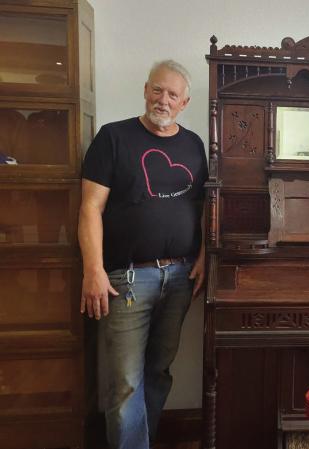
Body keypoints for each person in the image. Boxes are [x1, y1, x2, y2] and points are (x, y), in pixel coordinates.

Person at [78, 60, 208, 449]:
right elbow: (89, 209)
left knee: (158, 372)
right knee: (125, 382)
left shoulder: (193, 144)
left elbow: (204, 207)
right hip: (127, 280)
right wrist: (93, 270)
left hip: (181, 276)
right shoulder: (113, 138)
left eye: (172, 94)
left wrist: (204, 256)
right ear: (145, 89)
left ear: (184, 102)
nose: (162, 100)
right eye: (157, 90)